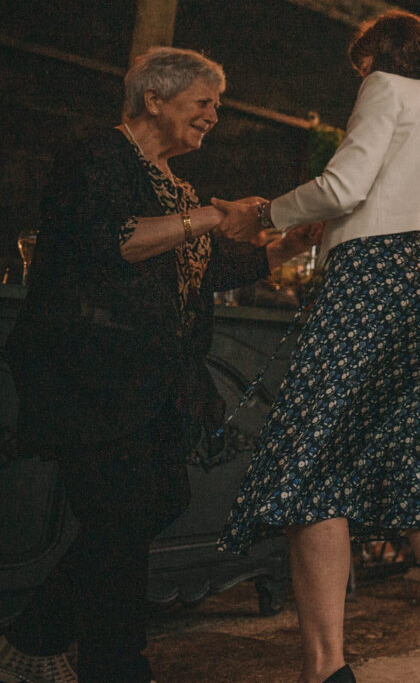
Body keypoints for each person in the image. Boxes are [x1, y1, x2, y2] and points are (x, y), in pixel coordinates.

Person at [0, 47, 317, 683]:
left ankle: (34, 636)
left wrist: (287, 244)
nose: (213, 118)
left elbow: (207, 271)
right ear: (154, 98)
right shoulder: (97, 155)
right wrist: (214, 215)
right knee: (119, 520)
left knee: (153, 501)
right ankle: (116, 667)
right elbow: (117, 240)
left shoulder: (176, 186)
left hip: (155, 386)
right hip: (90, 375)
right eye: (204, 103)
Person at [216, 11, 420, 683]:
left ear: (378, 55)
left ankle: (326, 666)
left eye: (361, 64)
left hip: (377, 277)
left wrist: (262, 216)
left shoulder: (386, 86)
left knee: (311, 456)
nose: (360, 76)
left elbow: (347, 184)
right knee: (409, 453)